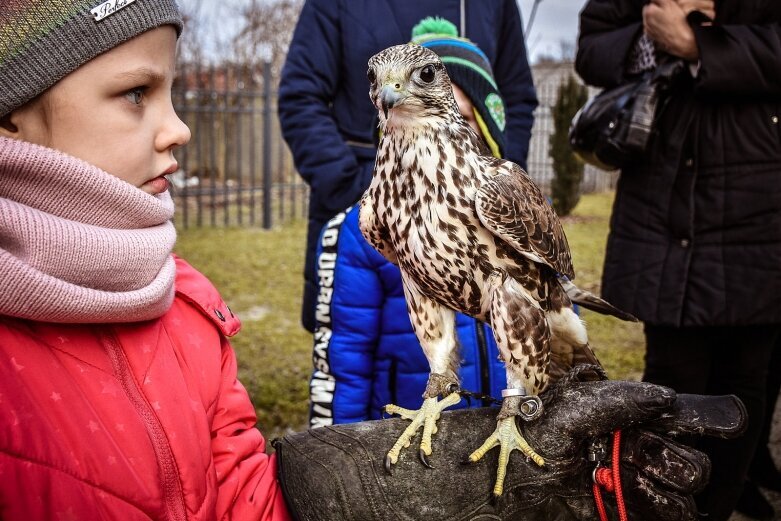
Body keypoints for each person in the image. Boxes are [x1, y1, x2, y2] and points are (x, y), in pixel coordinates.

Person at [0, 2, 290, 519]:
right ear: (10, 117)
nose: (178, 128)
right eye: (137, 93)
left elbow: (238, 492)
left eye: (171, 93)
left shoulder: (190, 306)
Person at [575, 0, 781, 519]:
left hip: (760, 186)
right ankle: (660, 508)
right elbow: (592, 47)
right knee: (670, 376)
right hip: (662, 191)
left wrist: (702, 47)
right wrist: (654, 35)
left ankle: (717, 507)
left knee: (745, 374)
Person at [277, 0, 538, 333]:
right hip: (373, 212)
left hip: (477, 213)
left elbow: (516, 98)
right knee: (371, 342)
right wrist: (364, 191)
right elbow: (300, 98)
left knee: (492, 347)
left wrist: (499, 188)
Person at [309, 18, 509, 427]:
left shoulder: (515, 215)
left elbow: (554, 317)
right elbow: (344, 364)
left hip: (512, 430)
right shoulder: (363, 229)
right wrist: (340, 454)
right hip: (409, 439)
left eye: (464, 120)